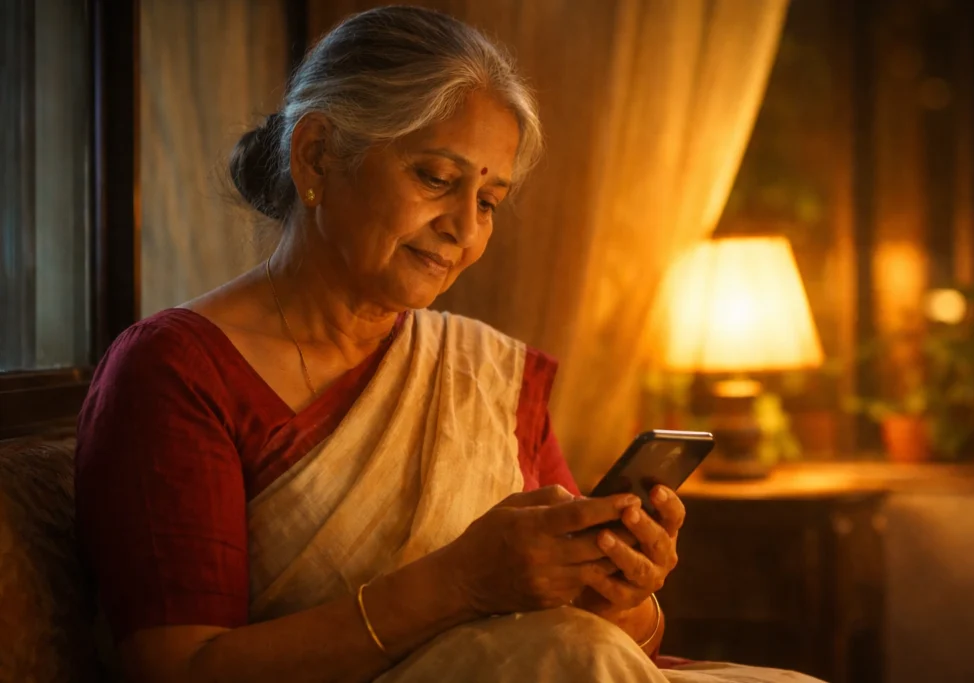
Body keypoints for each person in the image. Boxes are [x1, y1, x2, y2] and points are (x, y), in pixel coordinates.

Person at [75, 6, 823, 683]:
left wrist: (624, 596)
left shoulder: (485, 370)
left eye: (489, 201)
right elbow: (179, 669)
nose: (465, 228)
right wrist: (459, 582)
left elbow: (611, 640)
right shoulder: (176, 371)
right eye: (436, 177)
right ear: (316, 157)